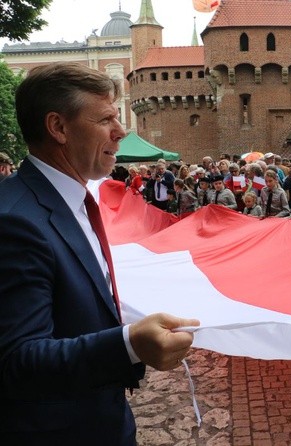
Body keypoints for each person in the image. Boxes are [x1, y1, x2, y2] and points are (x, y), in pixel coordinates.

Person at [0, 62, 198, 444]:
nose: (121, 130)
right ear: (58, 128)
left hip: (101, 417)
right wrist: (128, 344)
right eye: (106, 118)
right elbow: (17, 361)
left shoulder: (69, 201)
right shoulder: (15, 222)